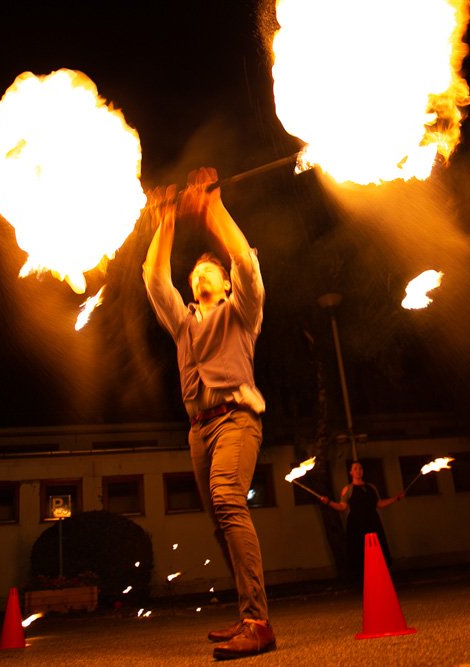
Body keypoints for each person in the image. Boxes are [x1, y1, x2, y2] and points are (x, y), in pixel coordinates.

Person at [142, 167, 275, 660]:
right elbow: (154, 277)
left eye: (209, 269)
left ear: (224, 284)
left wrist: (213, 204)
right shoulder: (183, 323)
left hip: (237, 418)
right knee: (221, 522)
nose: (199, 271)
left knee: (226, 498)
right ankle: (248, 613)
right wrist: (168, 218)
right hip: (198, 432)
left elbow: (243, 257)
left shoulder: (242, 312)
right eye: (195, 269)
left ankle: (258, 621)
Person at [320, 461, 404, 582]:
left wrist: (396, 498)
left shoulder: (371, 487)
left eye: (360, 468)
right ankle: (363, 579)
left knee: (376, 548)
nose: (358, 471)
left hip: (372, 521)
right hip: (357, 524)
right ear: (351, 472)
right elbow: (342, 507)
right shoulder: (348, 489)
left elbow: (379, 503)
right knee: (360, 549)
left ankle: (379, 576)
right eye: (355, 469)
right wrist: (328, 502)